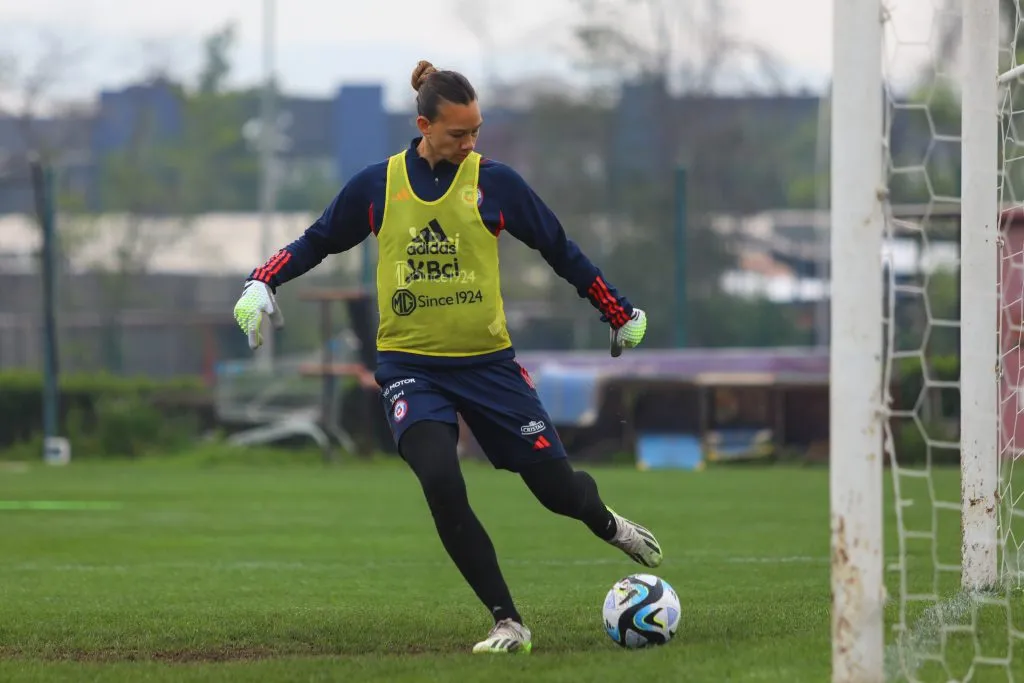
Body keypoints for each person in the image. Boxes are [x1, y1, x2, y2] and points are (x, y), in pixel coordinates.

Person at [233, 60, 663, 655]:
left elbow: (560, 249)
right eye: (459, 134)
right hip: (411, 367)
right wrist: (262, 282)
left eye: (476, 132)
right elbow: (317, 238)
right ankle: (508, 622)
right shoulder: (377, 185)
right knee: (440, 478)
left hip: (489, 365)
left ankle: (608, 524)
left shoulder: (497, 183)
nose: (470, 144)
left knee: (556, 490)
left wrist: (617, 310)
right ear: (423, 126)